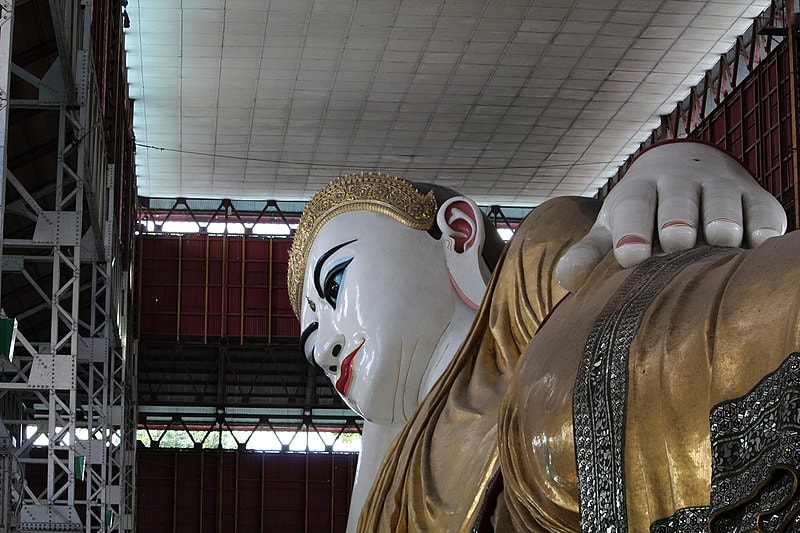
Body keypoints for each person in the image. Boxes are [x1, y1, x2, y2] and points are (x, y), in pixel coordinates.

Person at [287, 140, 792, 531]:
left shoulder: (530, 277)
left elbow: (635, 304)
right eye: (314, 349)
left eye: (335, 285)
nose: (328, 347)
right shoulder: (394, 479)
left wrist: (684, 163)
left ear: (458, 233)